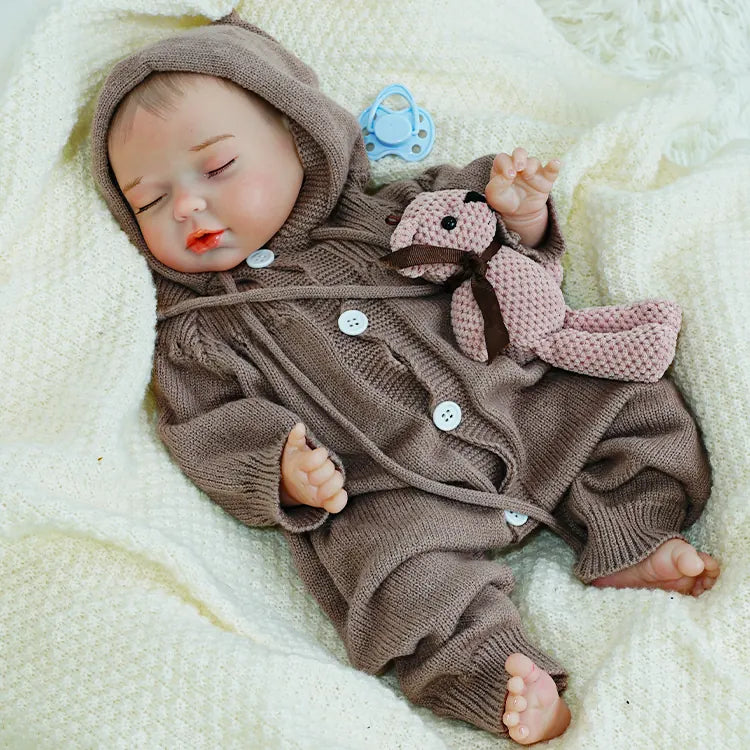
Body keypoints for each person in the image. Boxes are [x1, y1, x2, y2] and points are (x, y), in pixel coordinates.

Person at [90, 12, 719, 744]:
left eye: (218, 167)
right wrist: (281, 469)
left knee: (629, 405)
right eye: (151, 201)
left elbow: (478, 233)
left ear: (303, 141)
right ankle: (500, 674)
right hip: (396, 493)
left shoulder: (389, 212)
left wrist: (517, 210)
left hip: (522, 405)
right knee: (395, 584)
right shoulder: (201, 332)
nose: (188, 205)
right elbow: (204, 426)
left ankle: (631, 533)